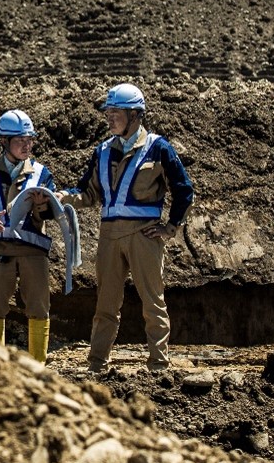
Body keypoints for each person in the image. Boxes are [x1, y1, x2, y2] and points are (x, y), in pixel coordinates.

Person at [67, 83, 194, 374]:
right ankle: (97, 365)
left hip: (144, 236)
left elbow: (184, 190)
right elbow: (88, 194)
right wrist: (61, 198)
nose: (109, 118)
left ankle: (158, 366)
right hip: (109, 237)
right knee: (106, 304)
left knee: (152, 302)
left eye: (115, 113)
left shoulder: (158, 148)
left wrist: (171, 227)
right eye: (108, 113)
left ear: (135, 115)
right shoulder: (101, 152)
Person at [0, 109, 60, 363]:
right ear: (4, 142)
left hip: (33, 250)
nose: (27, 145)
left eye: (29, 140)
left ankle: (38, 366)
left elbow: (51, 212)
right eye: (20, 141)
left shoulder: (42, 173)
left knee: (39, 308)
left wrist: (41, 205)